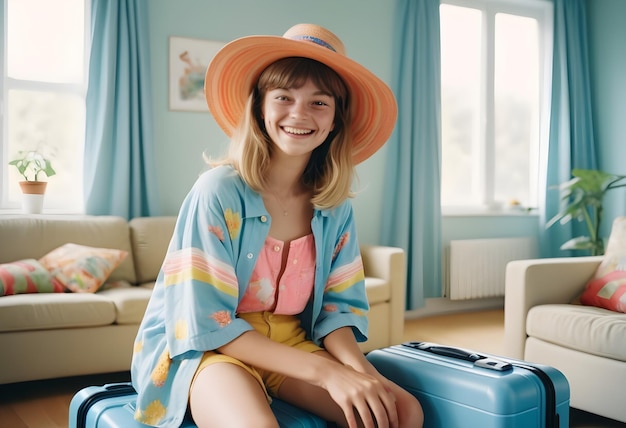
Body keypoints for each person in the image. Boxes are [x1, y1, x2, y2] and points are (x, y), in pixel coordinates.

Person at [131, 23, 424, 428]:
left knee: (401, 411)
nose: (299, 114)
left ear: (337, 119)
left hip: (288, 341)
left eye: (319, 102)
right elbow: (203, 323)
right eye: (284, 97)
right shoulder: (217, 191)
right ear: (260, 107)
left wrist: (365, 377)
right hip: (208, 349)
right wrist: (327, 373)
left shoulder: (333, 206)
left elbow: (338, 313)